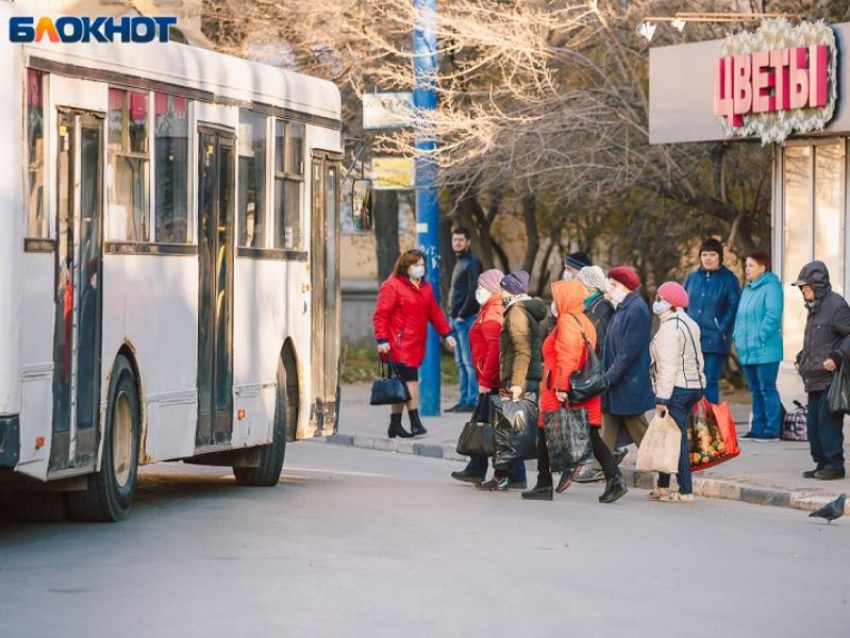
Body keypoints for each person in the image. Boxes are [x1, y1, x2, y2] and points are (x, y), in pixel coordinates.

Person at [522, 280, 628, 503]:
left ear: (566, 298)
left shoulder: (567, 321)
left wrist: (561, 387)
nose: (553, 303)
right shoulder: (582, 319)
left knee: (547, 433)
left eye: (556, 297)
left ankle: (545, 484)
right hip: (577, 389)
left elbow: (568, 356)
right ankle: (612, 479)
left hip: (562, 390)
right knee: (582, 435)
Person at [450, 269, 526, 487]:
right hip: (491, 378)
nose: (478, 290)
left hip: (492, 381)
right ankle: (479, 468)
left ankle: (502, 473)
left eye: (481, 286)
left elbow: (496, 349)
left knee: (492, 426)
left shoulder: (493, 310)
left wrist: (486, 379)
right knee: (489, 424)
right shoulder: (489, 307)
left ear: (491, 287)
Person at [373, 249, 456, 438]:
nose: (420, 268)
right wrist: (382, 339)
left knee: (399, 384)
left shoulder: (425, 287)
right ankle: (415, 421)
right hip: (397, 343)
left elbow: (433, 312)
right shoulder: (392, 285)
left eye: (422, 265)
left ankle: (394, 424)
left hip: (416, 343)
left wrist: (446, 332)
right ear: (405, 266)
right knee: (410, 381)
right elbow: (381, 315)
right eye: (416, 265)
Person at [478, 271, 548, 491]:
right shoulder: (524, 309)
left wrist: (516, 384)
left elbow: (522, 350)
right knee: (514, 430)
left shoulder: (517, 312)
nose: (502, 293)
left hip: (520, 379)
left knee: (507, 431)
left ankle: (502, 477)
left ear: (512, 290)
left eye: (504, 289)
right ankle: (513, 476)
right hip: (525, 377)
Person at [646, 282, 706, 504]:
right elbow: (698, 358)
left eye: (660, 298)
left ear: (670, 303)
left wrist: (662, 398)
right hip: (693, 385)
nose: (657, 302)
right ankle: (662, 486)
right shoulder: (690, 323)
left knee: (675, 438)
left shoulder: (671, 329)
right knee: (667, 433)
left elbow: (668, 366)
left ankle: (685, 489)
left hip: (677, 388)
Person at [792, 261, 850, 481]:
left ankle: (835, 465)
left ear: (816, 285)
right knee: (814, 426)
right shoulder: (814, 307)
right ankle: (821, 463)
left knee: (828, 425)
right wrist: (801, 357)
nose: (802, 291)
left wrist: (838, 357)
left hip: (830, 379)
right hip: (813, 377)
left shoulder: (836, 305)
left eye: (804, 287)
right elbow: (816, 341)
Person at [573, 265, 629, 483]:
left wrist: (599, 370)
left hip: (598, 370)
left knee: (602, 417)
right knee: (603, 418)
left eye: (580, 284)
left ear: (589, 286)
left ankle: (607, 459)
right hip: (593, 369)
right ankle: (608, 456)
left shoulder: (601, 307)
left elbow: (603, 342)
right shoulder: (589, 305)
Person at [600, 267, 655, 460]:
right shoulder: (623, 307)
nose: (610, 288)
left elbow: (628, 350)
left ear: (625, 286)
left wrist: (610, 377)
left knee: (635, 423)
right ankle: (602, 466)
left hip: (628, 379)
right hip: (618, 380)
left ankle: (656, 461)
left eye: (614, 284)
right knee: (608, 420)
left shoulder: (637, 308)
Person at [733, 251, 784, 441]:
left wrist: (761, 336)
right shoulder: (748, 289)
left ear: (762, 268)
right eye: (746, 265)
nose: (747, 269)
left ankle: (772, 430)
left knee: (767, 388)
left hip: (765, 348)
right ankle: (757, 427)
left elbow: (773, 315)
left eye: (751, 266)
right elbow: (740, 317)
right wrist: (736, 336)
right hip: (747, 349)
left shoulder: (772, 287)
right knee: (755, 390)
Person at [683, 238, 741, 404]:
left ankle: (711, 427)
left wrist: (720, 328)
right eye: (704, 254)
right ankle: (693, 426)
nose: (708, 258)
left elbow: (733, 307)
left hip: (714, 340)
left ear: (720, 257)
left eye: (712, 254)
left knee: (709, 383)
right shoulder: (692, 278)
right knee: (690, 385)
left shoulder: (729, 280)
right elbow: (682, 303)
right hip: (691, 340)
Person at [446, 228, 483, 413]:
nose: (457, 243)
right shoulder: (460, 261)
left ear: (468, 242)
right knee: (461, 363)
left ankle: (472, 400)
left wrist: (461, 314)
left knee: (469, 363)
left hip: (466, 319)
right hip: (456, 319)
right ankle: (463, 400)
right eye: (455, 239)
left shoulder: (472, 262)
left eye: (461, 239)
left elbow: (473, 290)